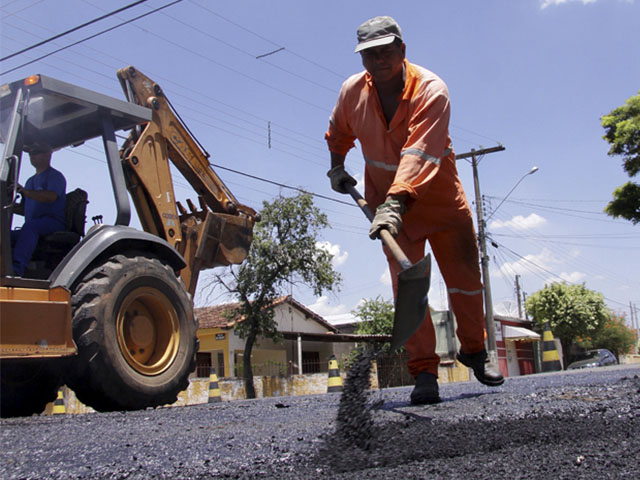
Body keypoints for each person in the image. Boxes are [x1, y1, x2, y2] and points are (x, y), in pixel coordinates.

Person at [325, 16, 504, 404]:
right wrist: (338, 165)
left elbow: (419, 154)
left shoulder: (432, 90)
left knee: (465, 283)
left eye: (385, 51)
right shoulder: (351, 92)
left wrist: (394, 203)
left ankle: (474, 350)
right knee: (410, 289)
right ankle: (424, 372)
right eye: (369, 54)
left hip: (438, 203)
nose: (378, 60)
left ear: (402, 50)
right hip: (390, 208)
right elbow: (339, 131)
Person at [10, 143, 66, 276]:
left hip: (52, 223)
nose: (32, 156)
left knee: (30, 227)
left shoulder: (55, 176)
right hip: (32, 226)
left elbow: (51, 197)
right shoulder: (30, 181)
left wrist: (26, 192)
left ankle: (16, 269)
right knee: (6, 236)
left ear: (48, 155)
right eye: (30, 153)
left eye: (36, 152)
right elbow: (24, 208)